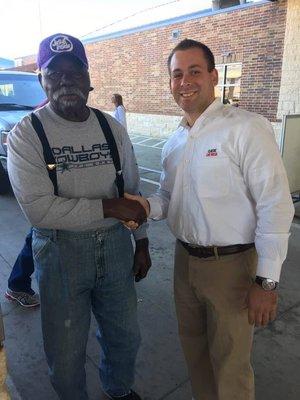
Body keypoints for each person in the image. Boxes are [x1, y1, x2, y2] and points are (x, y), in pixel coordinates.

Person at [125, 39, 294, 400]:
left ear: (214, 76)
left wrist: (266, 281)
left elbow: (274, 204)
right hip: (186, 264)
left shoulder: (246, 128)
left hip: (232, 267)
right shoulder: (176, 140)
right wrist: (142, 207)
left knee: (231, 367)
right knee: (196, 355)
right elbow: (170, 199)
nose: (184, 81)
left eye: (194, 72)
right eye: (176, 74)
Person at [7, 33, 150, 400]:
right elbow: (39, 209)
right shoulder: (27, 134)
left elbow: (132, 191)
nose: (65, 81)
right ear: (42, 80)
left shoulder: (110, 127)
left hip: (117, 248)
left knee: (124, 336)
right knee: (66, 349)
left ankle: (118, 390)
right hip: (60, 253)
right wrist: (108, 207)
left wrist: (143, 242)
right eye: (55, 74)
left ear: (89, 79)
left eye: (75, 71)